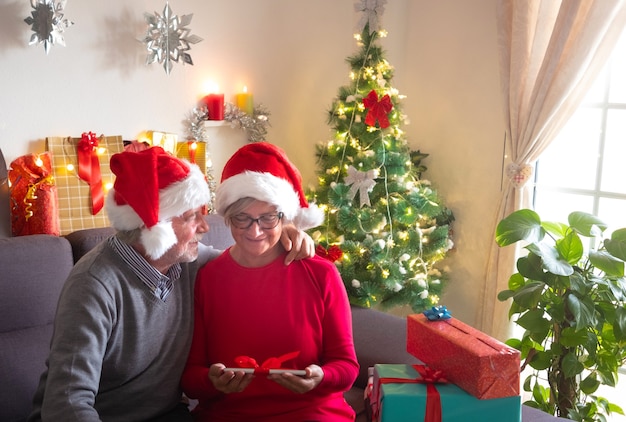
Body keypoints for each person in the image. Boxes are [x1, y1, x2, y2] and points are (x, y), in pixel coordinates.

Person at [28, 146, 314, 422]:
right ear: (154, 227)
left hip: (166, 414)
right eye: (191, 217)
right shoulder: (93, 285)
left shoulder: (188, 261)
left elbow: (243, 263)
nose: (204, 227)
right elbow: (66, 402)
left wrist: (281, 233)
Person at [181, 142, 359, 421]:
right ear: (227, 218)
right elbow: (191, 376)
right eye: (242, 218)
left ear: (284, 217)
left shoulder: (320, 274)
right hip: (230, 414)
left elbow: (346, 366)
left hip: (312, 412)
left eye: (267, 218)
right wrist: (210, 381)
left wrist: (321, 377)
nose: (255, 231)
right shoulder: (209, 276)